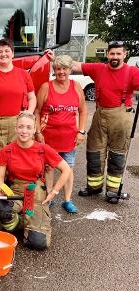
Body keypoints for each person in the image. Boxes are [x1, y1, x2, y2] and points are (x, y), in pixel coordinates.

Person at [67, 41, 139, 204]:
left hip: (121, 117)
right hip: (100, 114)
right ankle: (94, 187)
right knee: (94, 152)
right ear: (107, 54)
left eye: (118, 53)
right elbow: (76, 66)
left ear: (124, 54)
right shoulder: (98, 69)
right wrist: (53, 58)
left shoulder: (132, 72)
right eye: (112, 53)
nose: (115, 57)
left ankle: (113, 192)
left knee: (117, 154)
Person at [0, 112, 71, 249]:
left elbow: (66, 170)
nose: (24, 131)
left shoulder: (43, 149)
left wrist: (54, 192)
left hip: (35, 193)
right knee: (0, 209)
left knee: (37, 243)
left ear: (34, 129)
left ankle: (32, 220)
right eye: (21, 127)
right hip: (15, 191)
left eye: (29, 127)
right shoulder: (7, 151)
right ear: (15, 128)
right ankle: (20, 223)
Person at [0, 38, 37, 208]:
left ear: (12, 53)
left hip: (16, 124)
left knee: (15, 161)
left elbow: (32, 98)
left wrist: (28, 115)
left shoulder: (23, 75)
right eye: (0, 51)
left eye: (7, 51)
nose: (3, 54)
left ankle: (12, 201)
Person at [35, 55, 87, 213]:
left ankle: (67, 200)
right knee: (49, 168)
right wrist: (38, 132)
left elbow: (83, 110)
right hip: (49, 137)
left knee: (68, 168)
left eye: (64, 69)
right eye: (58, 69)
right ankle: (49, 197)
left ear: (70, 70)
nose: (61, 72)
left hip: (69, 137)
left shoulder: (76, 86)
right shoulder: (46, 87)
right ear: (54, 70)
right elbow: (37, 111)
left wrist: (81, 131)